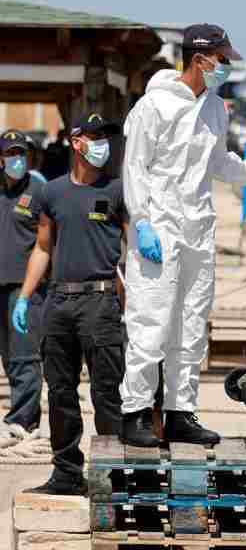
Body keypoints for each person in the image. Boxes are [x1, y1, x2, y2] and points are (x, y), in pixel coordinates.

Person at [119, 24, 246, 447]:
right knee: (151, 323)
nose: (227, 67)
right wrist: (141, 222)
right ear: (200, 60)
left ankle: (181, 413)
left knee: (192, 325)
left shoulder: (216, 108)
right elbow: (134, 167)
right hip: (159, 229)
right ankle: (136, 413)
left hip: (198, 229)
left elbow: (220, 163)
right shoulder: (153, 106)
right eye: (222, 59)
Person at [13, 113, 127, 495]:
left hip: (101, 302)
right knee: (60, 392)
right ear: (77, 142)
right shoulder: (52, 192)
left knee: (107, 392)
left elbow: (135, 254)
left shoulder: (117, 191)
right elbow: (43, 247)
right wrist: (25, 298)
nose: (101, 144)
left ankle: (113, 476)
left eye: (104, 136)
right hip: (59, 303)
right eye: (94, 137)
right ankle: (66, 474)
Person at [0, 130, 44, 436]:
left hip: (24, 288)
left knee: (24, 356)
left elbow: (48, 243)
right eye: (11, 154)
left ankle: (23, 420)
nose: (17, 159)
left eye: (21, 154)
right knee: (6, 354)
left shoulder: (39, 191)